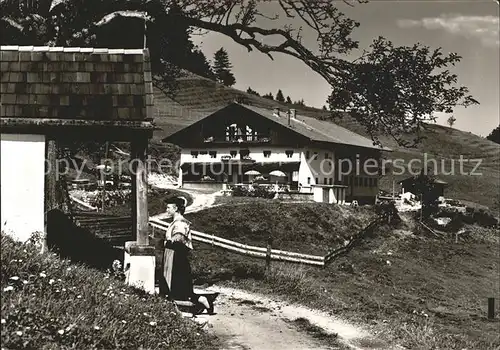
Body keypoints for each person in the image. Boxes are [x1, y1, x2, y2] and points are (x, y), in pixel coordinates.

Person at [160, 196, 217, 314]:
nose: (167, 210)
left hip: (176, 256)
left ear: (176, 209)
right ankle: (182, 306)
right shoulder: (176, 222)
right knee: (174, 284)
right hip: (172, 255)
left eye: (169, 207)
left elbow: (178, 238)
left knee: (179, 284)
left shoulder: (180, 222)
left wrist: (165, 242)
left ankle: (202, 300)